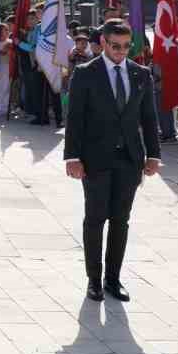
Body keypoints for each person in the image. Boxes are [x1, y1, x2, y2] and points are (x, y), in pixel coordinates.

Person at [64, 19, 161, 303]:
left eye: (125, 46)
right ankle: (93, 280)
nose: (120, 52)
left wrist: (153, 155)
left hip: (129, 159)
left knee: (121, 220)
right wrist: (72, 157)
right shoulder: (85, 73)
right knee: (95, 219)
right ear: (103, 43)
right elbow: (75, 119)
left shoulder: (141, 73)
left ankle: (113, 279)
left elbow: (149, 117)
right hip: (95, 159)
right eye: (115, 46)